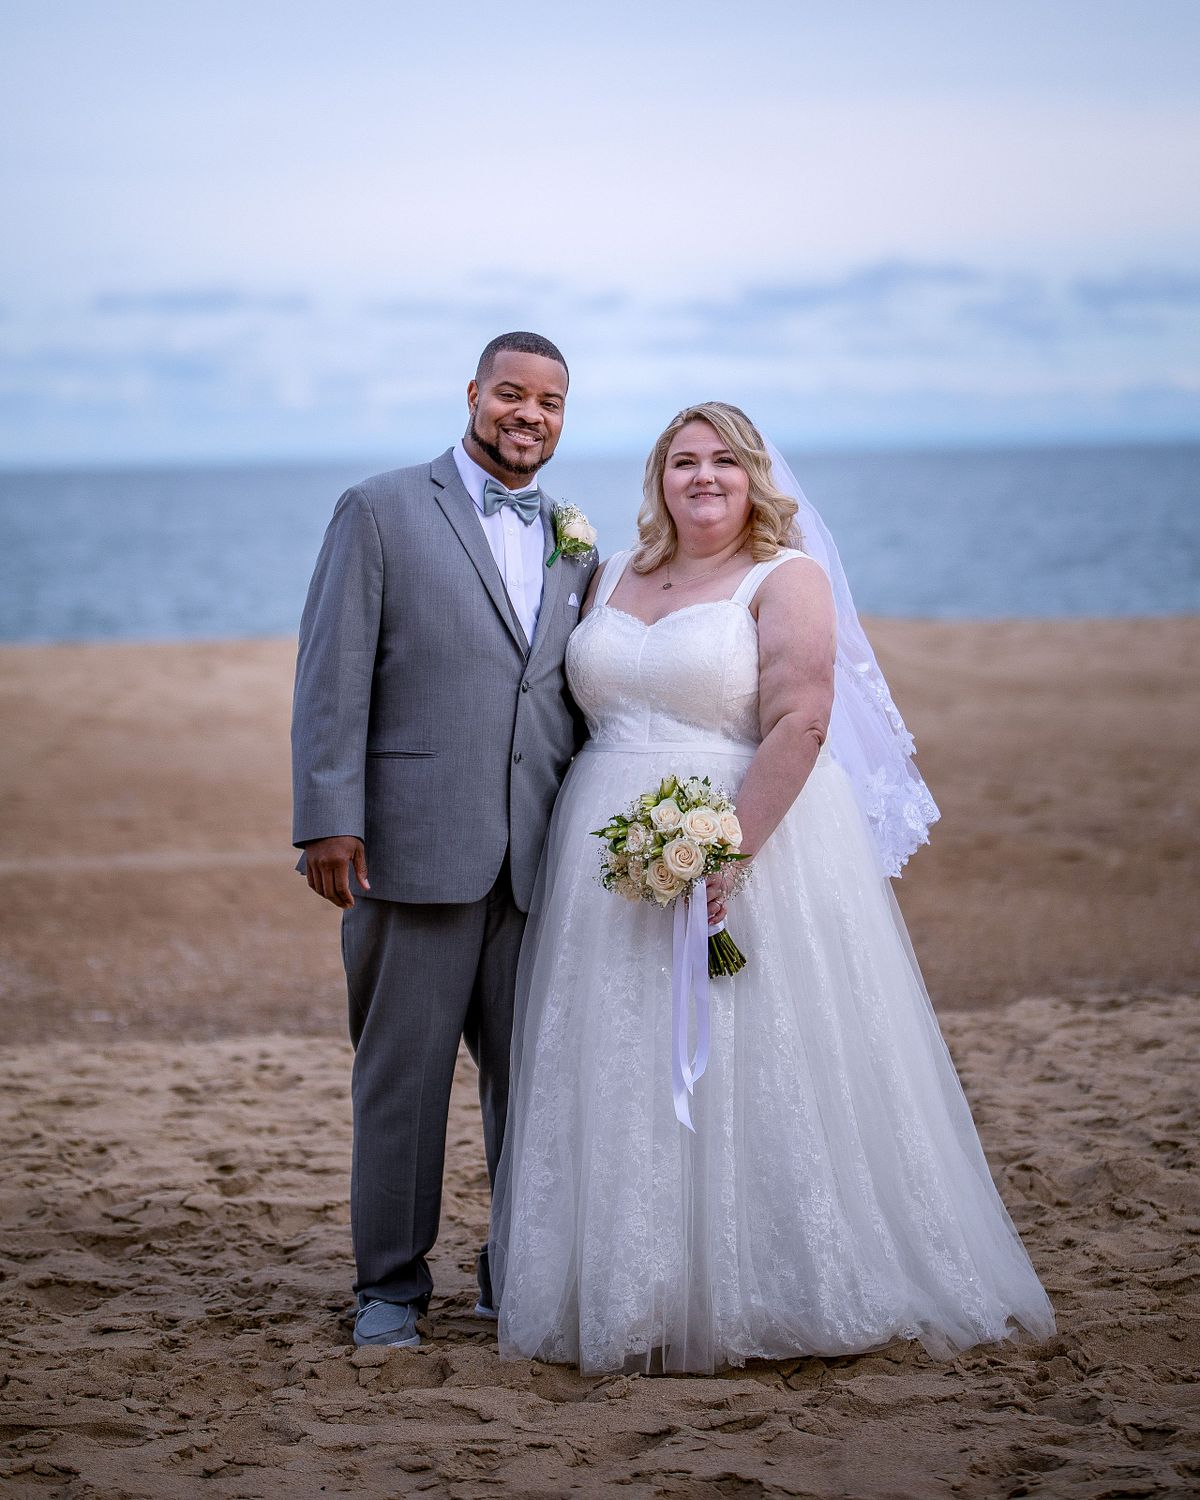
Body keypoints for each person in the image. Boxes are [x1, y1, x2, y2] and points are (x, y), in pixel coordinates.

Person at [488, 401, 1055, 1375]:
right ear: (658, 478)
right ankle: (633, 1285)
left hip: (746, 831)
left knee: (751, 1060)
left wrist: (727, 855)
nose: (701, 477)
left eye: (721, 461)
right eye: (681, 462)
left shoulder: (785, 577)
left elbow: (801, 720)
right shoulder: (613, 572)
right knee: (615, 1059)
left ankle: (766, 1284)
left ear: (754, 475)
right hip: (604, 849)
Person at [291, 332, 596, 1349]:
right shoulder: (380, 510)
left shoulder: (576, 539)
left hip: (537, 863)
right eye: (512, 394)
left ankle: (517, 1272)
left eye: (550, 402)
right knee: (402, 1083)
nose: (530, 416)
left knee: (535, 1087)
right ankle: (388, 1288)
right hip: (409, 852)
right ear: (473, 395)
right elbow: (333, 674)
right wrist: (328, 817)